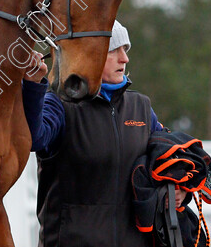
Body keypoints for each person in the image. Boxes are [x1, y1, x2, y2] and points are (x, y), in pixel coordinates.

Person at [22, 20, 180, 247]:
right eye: (113, 50)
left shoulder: (141, 106)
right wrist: (33, 85)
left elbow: (167, 156)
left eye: (125, 49)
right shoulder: (59, 104)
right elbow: (34, 138)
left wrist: (179, 189)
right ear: (86, 54)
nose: (124, 58)